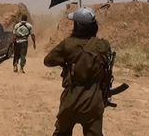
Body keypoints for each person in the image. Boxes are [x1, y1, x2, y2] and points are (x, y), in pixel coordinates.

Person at [44, 7, 111, 136]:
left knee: (62, 132)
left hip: (72, 98)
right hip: (95, 100)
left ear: (78, 25)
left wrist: (65, 61)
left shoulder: (68, 44)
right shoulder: (104, 45)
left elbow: (48, 61)